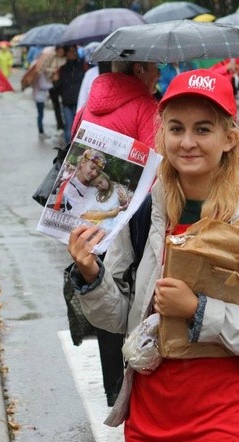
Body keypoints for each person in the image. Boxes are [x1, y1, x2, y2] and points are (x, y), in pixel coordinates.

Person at [67, 69, 239, 442]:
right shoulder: (142, 212)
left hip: (229, 414)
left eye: (202, 129)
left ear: (229, 138)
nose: (187, 142)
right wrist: (91, 274)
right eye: (176, 129)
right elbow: (120, 318)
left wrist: (197, 309)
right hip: (151, 412)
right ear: (161, 135)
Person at [71, 58, 159, 407]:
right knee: (129, 294)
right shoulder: (146, 107)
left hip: (87, 225)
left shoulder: (87, 106)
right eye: (155, 68)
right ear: (138, 69)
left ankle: (112, 386)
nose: (159, 75)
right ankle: (135, 376)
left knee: (101, 291)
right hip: (131, 222)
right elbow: (156, 168)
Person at [54, 148, 107, 217]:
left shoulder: (94, 188)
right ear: (83, 162)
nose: (94, 173)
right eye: (92, 167)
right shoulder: (67, 182)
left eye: (97, 171)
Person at [55, 45, 86, 144]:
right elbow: (58, 88)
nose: (74, 53)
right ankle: (68, 148)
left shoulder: (82, 66)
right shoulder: (62, 69)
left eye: (75, 51)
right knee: (69, 125)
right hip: (67, 101)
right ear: (66, 53)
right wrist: (55, 81)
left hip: (79, 102)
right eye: (71, 51)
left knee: (79, 126)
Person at [31, 66, 53, 140]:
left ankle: (41, 131)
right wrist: (51, 85)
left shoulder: (36, 75)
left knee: (40, 114)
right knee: (40, 115)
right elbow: (43, 86)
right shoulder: (40, 75)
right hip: (40, 97)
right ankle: (41, 132)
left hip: (37, 96)